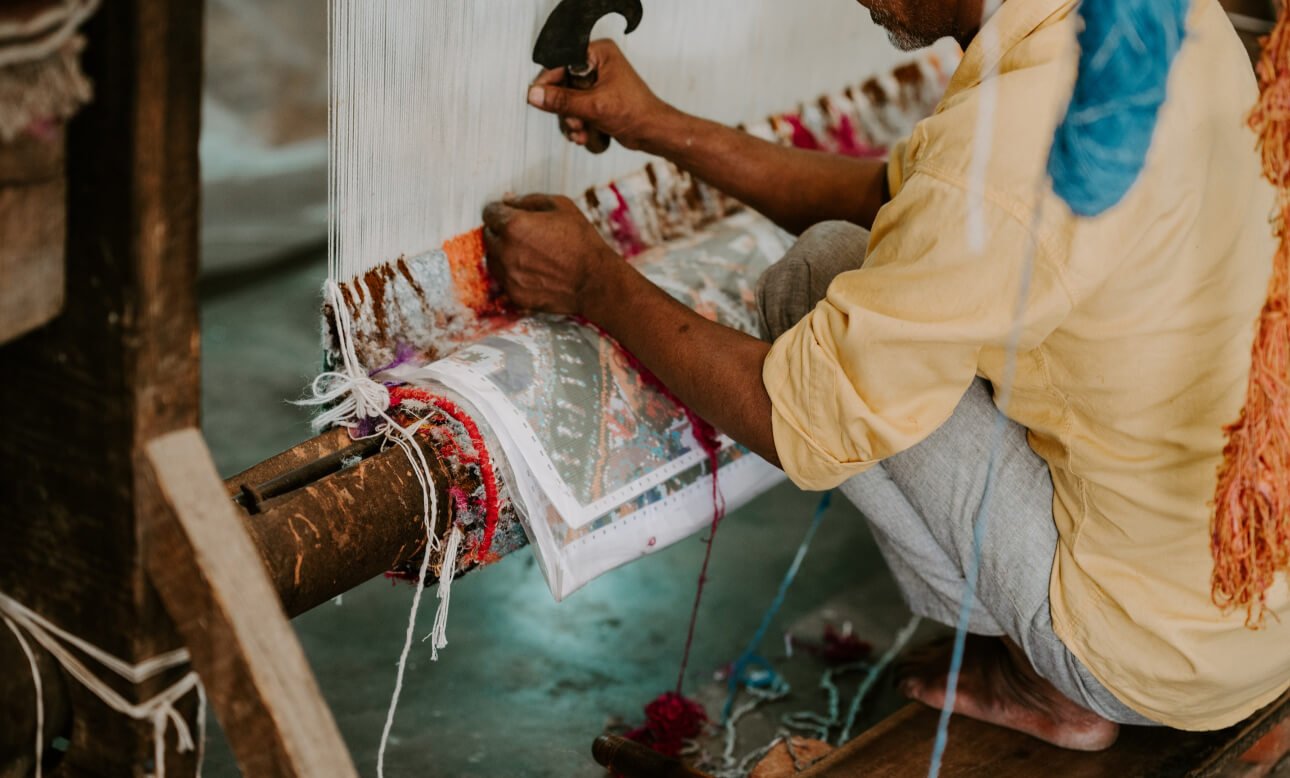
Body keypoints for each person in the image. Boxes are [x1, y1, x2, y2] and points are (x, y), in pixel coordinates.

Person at [482, 0, 1290, 750]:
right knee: (872, 263)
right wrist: (657, 125)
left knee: (820, 279)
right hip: (1260, 609)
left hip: (1150, 650)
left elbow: (797, 414)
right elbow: (897, 199)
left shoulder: (1007, 144)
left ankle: (1058, 683)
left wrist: (595, 283)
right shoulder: (1150, 25)